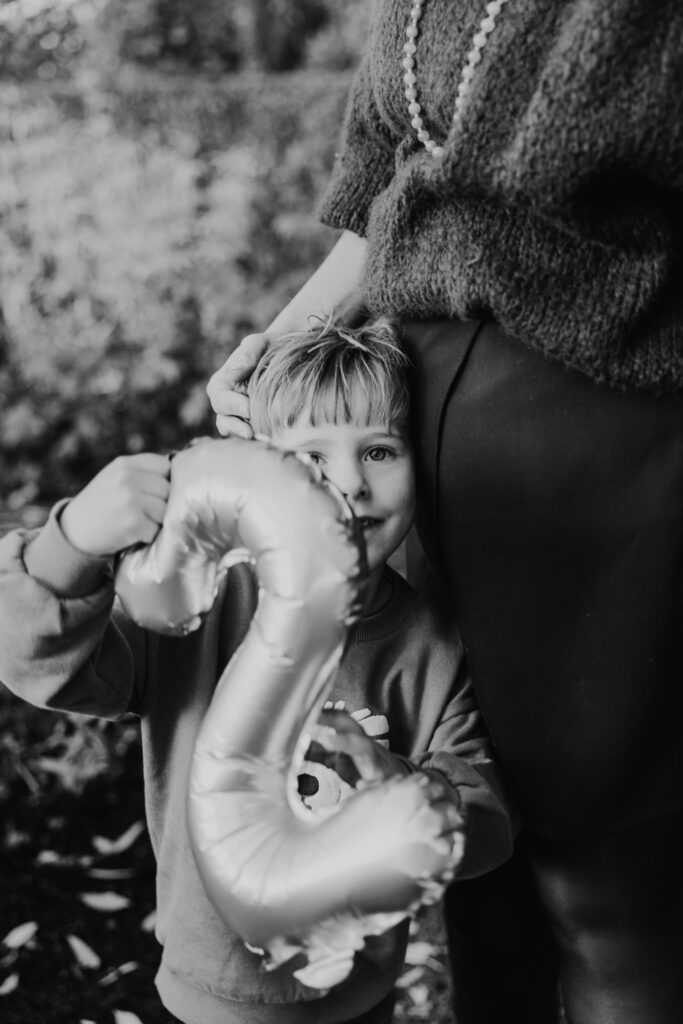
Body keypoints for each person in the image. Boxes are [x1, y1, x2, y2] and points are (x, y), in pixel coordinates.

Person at [206, 3, 683, 1023]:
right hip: (408, 428)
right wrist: (282, 343)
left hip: (600, 453)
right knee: (465, 851)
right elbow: (390, 193)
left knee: (602, 889)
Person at [0, 318, 514, 1024]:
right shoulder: (200, 604)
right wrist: (74, 539)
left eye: (379, 450)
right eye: (311, 455)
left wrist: (394, 789)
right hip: (208, 997)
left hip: (355, 1001)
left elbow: (484, 816)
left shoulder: (432, 641)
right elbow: (34, 662)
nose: (348, 483)